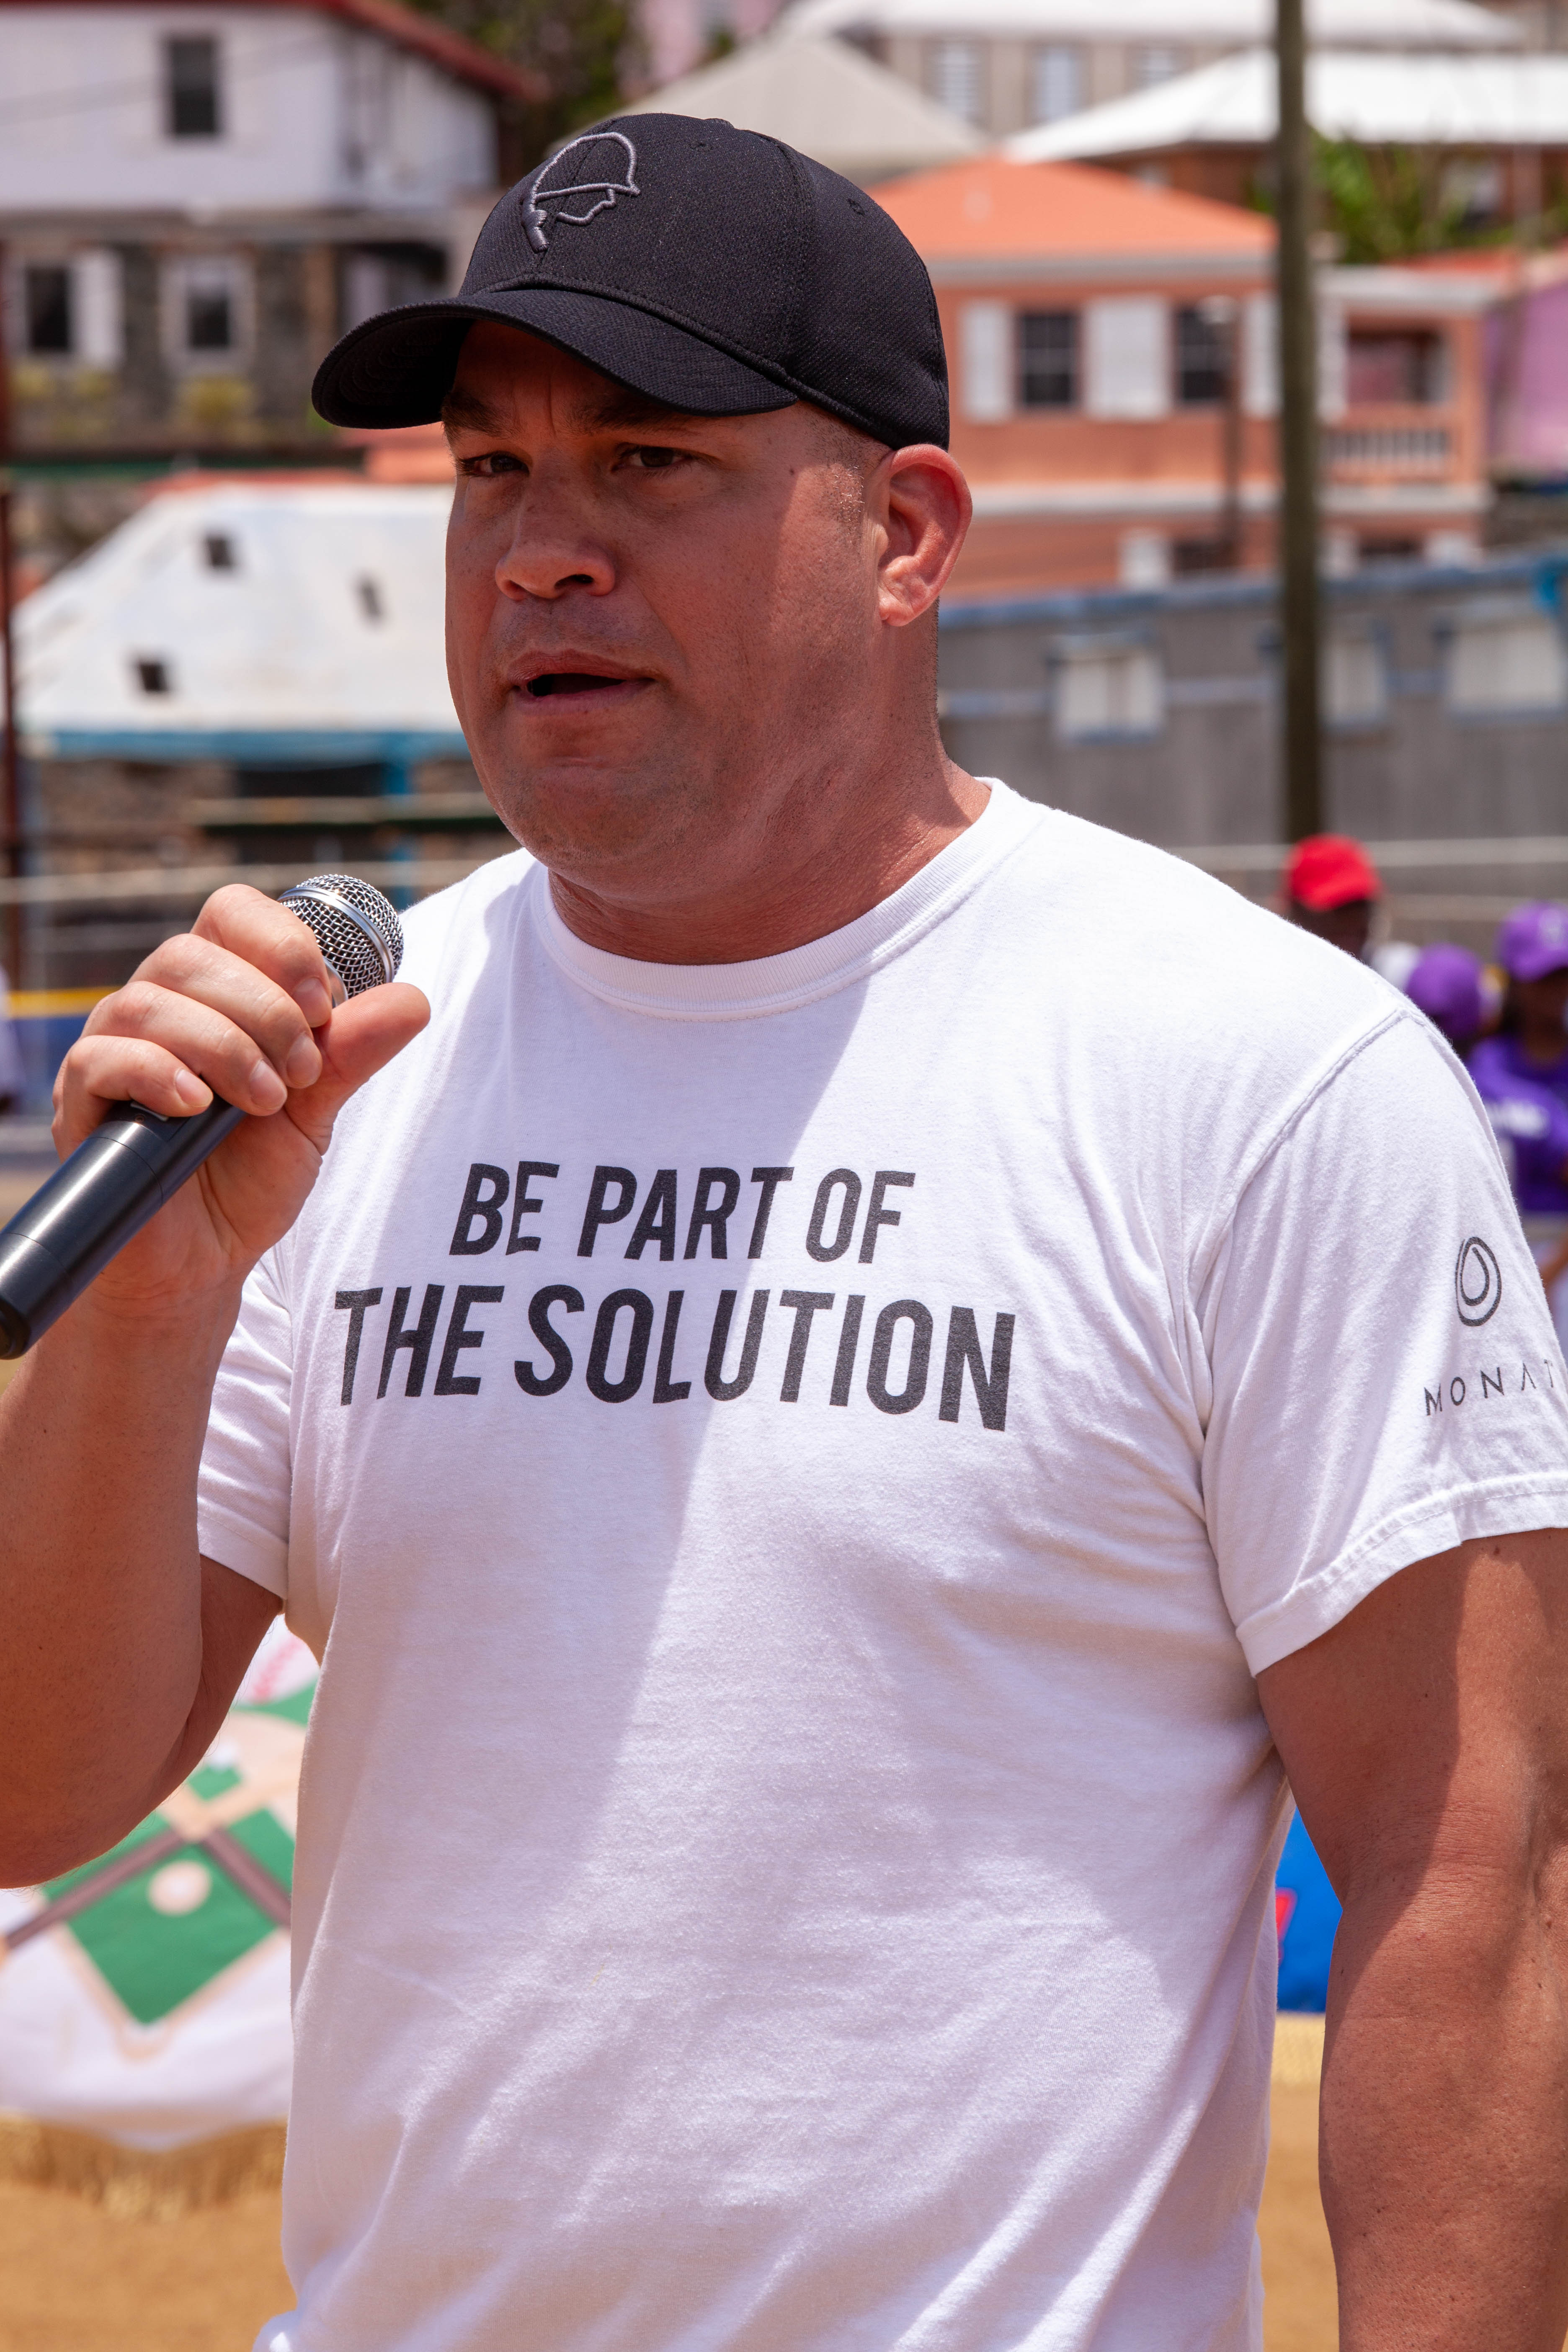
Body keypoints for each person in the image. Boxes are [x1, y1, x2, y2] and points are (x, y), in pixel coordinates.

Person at [3, 117, 1568, 2352]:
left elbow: (1467, 1890)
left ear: (910, 534)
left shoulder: (1251, 1074)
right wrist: (148, 1312)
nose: (542, 553)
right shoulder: (347, 1074)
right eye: (489, 472)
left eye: (648, 466)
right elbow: (37, 1790)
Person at [1282, 832, 1382, 961]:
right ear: (1297, 911)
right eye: (1336, 910)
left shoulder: (1392, 972)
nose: (1351, 923)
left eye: (1359, 907)